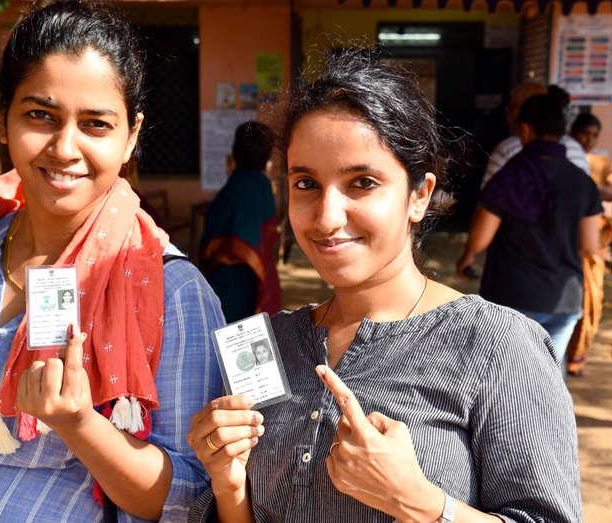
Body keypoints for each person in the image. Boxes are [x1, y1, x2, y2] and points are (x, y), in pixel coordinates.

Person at [186, 46, 583, 523]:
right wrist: (230, 490)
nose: (327, 218)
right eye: (306, 183)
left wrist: (420, 503)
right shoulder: (269, 343)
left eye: (362, 182)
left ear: (420, 195)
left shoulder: (497, 346)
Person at [0, 2, 225, 522]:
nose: (64, 147)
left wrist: (81, 425)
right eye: (41, 115)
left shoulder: (170, 291)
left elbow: (190, 498)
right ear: (3, 120)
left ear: (130, 137)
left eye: (96, 124)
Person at [459, 90, 602, 377]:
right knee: (551, 379)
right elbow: (589, 246)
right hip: (565, 299)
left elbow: (481, 239)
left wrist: (468, 257)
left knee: (511, 380)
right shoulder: (582, 181)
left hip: (516, 294)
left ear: (524, 129)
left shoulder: (512, 175)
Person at [200, 121, 282, 323]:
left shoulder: (236, 188)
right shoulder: (263, 187)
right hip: (257, 278)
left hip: (232, 283)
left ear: (235, 152)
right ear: (266, 157)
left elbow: (214, 234)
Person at [566, 112, 612, 375]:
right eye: (585, 133)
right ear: (573, 132)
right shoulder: (567, 158)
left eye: (595, 135)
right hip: (569, 244)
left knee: (591, 303)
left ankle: (577, 356)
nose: (589, 140)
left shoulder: (601, 163)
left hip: (593, 248)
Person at [482, 83, 589, 189]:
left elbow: (487, 200)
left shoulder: (508, 149)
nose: (508, 114)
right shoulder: (576, 149)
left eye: (511, 108)